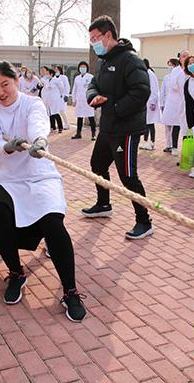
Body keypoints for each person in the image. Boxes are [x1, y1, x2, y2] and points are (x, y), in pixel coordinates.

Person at [0, 60, 86, 322]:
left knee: (53, 222)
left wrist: (40, 140)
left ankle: (70, 290)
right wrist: (7, 146)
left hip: (39, 174)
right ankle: (16, 273)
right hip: (8, 177)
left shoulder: (33, 103)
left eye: (5, 84)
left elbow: (38, 124)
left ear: (17, 81)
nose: (0, 92)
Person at [81, 15, 152, 239]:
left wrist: (114, 106)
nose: (93, 44)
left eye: (95, 38)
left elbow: (141, 91)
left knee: (128, 176)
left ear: (108, 35)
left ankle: (144, 221)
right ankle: (104, 204)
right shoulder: (104, 62)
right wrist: (93, 97)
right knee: (97, 165)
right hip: (108, 128)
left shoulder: (130, 60)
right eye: (91, 39)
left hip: (127, 130)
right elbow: (93, 85)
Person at [160, 52, 189, 155]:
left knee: (187, 127)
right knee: (175, 125)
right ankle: (174, 147)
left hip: (187, 101)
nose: (186, 58)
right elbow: (173, 85)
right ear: (180, 58)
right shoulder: (176, 71)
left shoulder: (190, 68)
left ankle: (187, 149)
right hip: (175, 101)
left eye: (187, 56)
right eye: (184, 56)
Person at [71, 61, 96, 140]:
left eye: (84, 67)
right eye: (81, 67)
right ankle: (78, 133)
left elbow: (93, 88)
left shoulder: (90, 77)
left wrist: (93, 98)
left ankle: (93, 134)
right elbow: (74, 89)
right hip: (79, 100)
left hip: (88, 100)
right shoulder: (77, 78)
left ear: (87, 68)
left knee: (91, 117)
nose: (82, 68)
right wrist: (73, 99)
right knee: (79, 117)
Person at [139, 58, 160, 151]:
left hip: (151, 103)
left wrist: (152, 102)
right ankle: (146, 141)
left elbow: (155, 90)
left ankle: (152, 142)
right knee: (146, 123)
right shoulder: (145, 73)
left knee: (150, 124)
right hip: (145, 102)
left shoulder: (150, 74)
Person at [39, 66, 65, 133]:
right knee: (50, 113)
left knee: (55, 113)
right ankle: (52, 127)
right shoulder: (47, 80)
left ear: (51, 74)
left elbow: (61, 88)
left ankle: (60, 127)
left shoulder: (56, 80)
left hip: (55, 99)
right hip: (48, 99)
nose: (46, 75)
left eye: (48, 73)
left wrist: (61, 95)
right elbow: (45, 86)